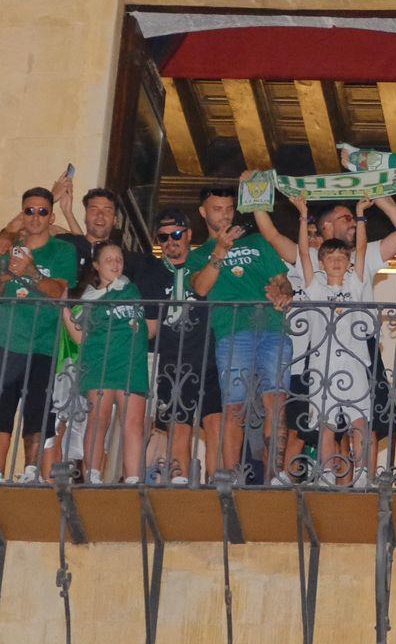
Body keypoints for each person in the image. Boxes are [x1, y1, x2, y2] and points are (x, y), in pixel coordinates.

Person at [0, 187, 81, 482]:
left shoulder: (63, 251)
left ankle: (32, 471)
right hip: (5, 341)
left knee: (37, 411)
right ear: (22, 215)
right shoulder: (6, 250)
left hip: (44, 344)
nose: (35, 217)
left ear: (51, 217)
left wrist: (31, 271)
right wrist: (4, 275)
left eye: (42, 211)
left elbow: (59, 291)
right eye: (30, 211)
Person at [188, 183, 292, 482]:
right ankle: (232, 476)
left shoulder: (258, 242)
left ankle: (275, 474)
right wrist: (219, 253)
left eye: (229, 209)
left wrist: (283, 293)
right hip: (232, 332)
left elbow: (284, 281)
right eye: (217, 209)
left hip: (273, 327)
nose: (224, 215)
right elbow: (201, 288)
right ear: (203, 212)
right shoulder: (200, 254)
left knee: (276, 400)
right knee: (234, 404)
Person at [288, 201, 379, 486]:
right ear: (322, 263)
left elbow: (362, 249)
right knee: (325, 423)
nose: (337, 261)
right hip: (321, 364)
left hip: (353, 361)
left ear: (348, 262)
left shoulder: (355, 284)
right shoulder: (314, 287)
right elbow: (303, 251)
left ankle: (363, 475)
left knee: (359, 422)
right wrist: (303, 217)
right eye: (331, 258)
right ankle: (327, 474)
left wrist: (361, 215)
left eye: (342, 257)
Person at [61, 241, 153, 484]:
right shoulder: (90, 298)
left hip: (131, 363)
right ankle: (92, 475)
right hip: (100, 362)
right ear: (96, 265)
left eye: (119, 259)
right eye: (109, 259)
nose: (115, 263)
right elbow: (80, 336)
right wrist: (64, 311)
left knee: (133, 423)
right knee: (98, 419)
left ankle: (133, 478)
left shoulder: (131, 290)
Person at [150, 207, 221, 485]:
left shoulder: (205, 262)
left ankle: (217, 481)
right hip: (172, 357)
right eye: (163, 237)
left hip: (209, 355)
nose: (171, 241)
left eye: (176, 234)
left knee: (215, 422)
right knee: (178, 425)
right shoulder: (153, 272)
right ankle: (179, 481)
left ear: (189, 234)